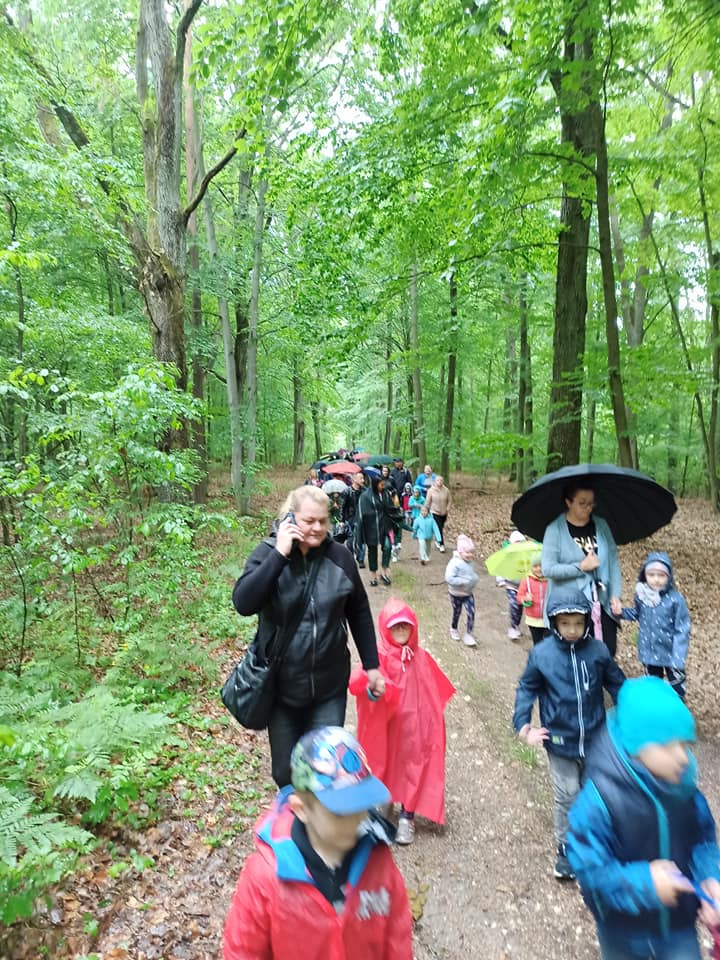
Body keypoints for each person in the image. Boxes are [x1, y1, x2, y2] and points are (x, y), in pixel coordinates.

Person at [232, 485, 385, 787]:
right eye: (308, 520)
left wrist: (372, 666)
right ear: (290, 518)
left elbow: (359, 610)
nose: (317, 528)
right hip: (282, 688)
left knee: (324, 771)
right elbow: (243, 603)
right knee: (284, 773)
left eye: (322, 521)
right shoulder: (268, 553)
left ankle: (319, 817)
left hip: (329, 686)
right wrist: (280, 555)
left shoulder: (340, 557)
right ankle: (295, 813)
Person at [223, 726, 413, 960]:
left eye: (362, 805)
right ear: (301, 809)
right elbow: (242, 951)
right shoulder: (267, 876)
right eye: (341, 812)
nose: (358, 819)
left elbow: (397, 936)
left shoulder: (379, 864)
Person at [567, 677, 720, 960]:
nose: (683, 758)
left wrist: (709, 877)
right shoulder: (600, 799)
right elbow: (589, 868)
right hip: (622, 930)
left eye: (685, 744)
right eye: (667, 745)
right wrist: (647, 883)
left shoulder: (687, 791)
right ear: (636, 748)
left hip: (678, 927)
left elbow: (703, 841)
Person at [513, 589, 625, 881]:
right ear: (554, 623)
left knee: (593, 793)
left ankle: (594, 840)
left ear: (587, 620)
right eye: (565, 624)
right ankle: (566, 847)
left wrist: (631, 713)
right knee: (567, 795)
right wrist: (523, 725)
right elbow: (527, 688)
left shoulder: (598, 651)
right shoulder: (542, 654)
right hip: (559, 740)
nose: (572, 630)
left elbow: (617, 684)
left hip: (596, 739)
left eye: (578, 623)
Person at [349, 598, 455, 845]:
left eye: (405, 626)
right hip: (389, 726)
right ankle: (383, 804)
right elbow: (361, 681)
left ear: (413, 627)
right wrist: (374, 691)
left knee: (414, 767)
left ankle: (408, 815)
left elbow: (433, 693)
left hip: (415, 730)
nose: (400, 630)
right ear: (385, 628)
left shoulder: (421, 658)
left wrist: (432, 726)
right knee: (386, 764)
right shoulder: (378, 656)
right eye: (395, 626)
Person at [541, 481, 623, 657]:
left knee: (605, 654)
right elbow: (548, 569)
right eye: (582, 503)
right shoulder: (555, 530)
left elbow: (613, 560)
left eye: (591, 503)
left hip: (601, 605)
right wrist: (580, 567)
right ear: (568, 502)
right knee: (570, 658)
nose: (588, 508)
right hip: (568, 608)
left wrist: (616, 595)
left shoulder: (601, 525)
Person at [620, 552, 691, 700]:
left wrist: (678, 656)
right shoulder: (642, 595)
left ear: (669, 577)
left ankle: (677, 709)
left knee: (677, 686)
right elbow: (637, 613)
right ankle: (656, 709)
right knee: (653, 686)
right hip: (649, 652)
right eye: (651, 575)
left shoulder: (675, 600)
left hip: (670, 653)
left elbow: (682, 629)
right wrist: (620, 612)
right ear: (645, 575)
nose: (656, 579)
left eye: (661, 575)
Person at [355, 473, 393, 587]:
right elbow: (362, 513)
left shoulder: (386, 494)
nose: (383, 486)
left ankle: (384, 572)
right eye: (381, 484)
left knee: (387, 547)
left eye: (384, 484)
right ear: (375, 484)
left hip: (385, 526)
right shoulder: (365, 496)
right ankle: (373, 576)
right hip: (371, 527)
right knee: (372, 551)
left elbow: (391, 508)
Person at [444, 534, 479, 647]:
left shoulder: (471, 562)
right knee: (457, 612)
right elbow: (449, 578)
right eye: (467, 552)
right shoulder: (454, 563)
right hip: (456, 593)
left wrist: (475, 579)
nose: (470, 555)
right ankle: (454, 628)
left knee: (471, 613)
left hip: (468, 593)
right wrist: (463, 581)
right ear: (460, 551)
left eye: (472, 552)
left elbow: (471, 575)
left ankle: (469, 634)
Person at [495, 530, 526, 640]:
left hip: (523, 587)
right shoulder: (507, 557)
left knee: (520, 607)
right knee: (514, 604)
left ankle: (516, 625)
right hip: (510, 585)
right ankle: (512, 628)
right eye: (516, 544)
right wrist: (500, 580)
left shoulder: (526, 557)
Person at [516, 553, 548, 645]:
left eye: (541, 565)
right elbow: (519, 596)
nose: (539, 569)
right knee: (537, 642)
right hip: (533, 620)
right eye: (535, 566)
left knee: (548, 643)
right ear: (531, 567)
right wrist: (525, 599)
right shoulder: (526, 580)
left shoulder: (550, 580)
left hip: (548, 619)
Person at [424, 475, 451, 552]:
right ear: (435, 481)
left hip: (444, 512)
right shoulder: (431, 490)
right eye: (438, 480)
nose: (439, 482)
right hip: (434, 512)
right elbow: (427, 502)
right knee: (439, 528)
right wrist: (425, 511)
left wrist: (448, 508)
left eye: (441, 480)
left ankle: (437, 539)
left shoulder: (446, 490)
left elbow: (450, 500)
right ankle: (442, 544)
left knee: (441, 527)